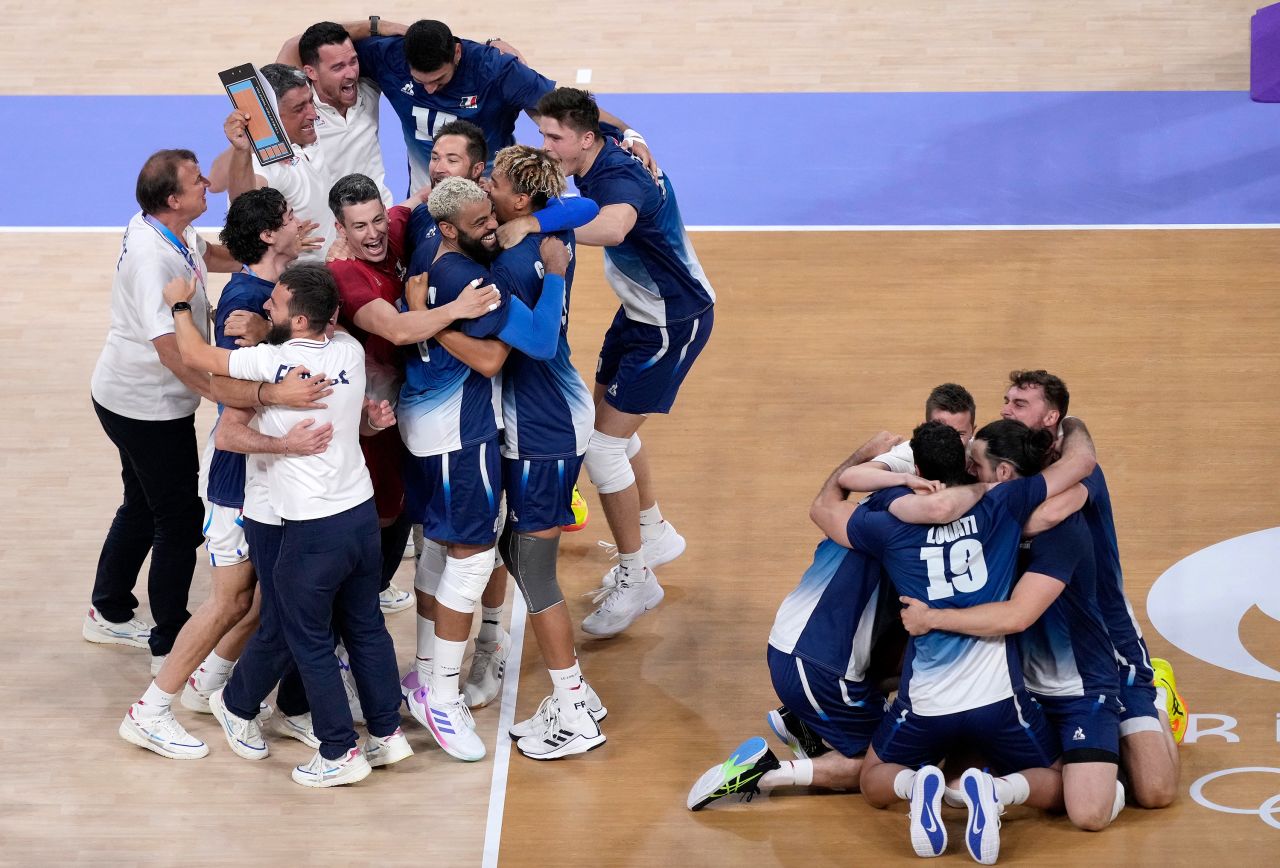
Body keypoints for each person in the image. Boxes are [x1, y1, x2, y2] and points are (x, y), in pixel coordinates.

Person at [163, 262, 410, 788]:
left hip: (313, 525)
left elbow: (194, 356)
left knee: (308, 636)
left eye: (274, 304)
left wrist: (181, 304)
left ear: (300, 321)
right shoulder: (348, 351)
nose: (265, 308)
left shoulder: (273, 363)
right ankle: (386, 733)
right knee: (364, 624)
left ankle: (339, 751)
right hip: (361, 517)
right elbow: (331, 319)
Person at [116, 188, 330, 758]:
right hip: (239, 474)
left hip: (261, 473)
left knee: (260, 600)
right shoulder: (247, 302)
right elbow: (228, 397)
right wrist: (276, 385)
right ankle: (152, 708)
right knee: (234, 601)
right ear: (267, 236)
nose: (296, 221)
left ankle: (208, 686)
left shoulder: (271, 291)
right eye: (286, 218)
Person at [826, 419, 1097, 864]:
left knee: (874, 781)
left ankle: (918, 786)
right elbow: (1078, 475)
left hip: (926, 704)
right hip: (998, 701)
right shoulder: (1003, 502)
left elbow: (827, 506)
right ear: (968, 468)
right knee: (1057, 780)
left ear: (918, 467)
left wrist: (892, 481)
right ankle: (994, 791)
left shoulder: (889, 522)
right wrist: (1067, 430)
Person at [686, 428, 989, 809]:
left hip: (794, 643)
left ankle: (804, 721)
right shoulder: (917, 526)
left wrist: (863, 453)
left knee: (908, 657)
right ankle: (765, 772)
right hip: (819, 664)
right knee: (890, 762)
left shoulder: (884, 497)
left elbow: (824, 501)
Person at [426, 145, 606, 758]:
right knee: (518, 552)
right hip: (550, 420)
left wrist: (436, 321)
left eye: (493, 182)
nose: (483, 184)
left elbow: (529, 341)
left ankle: (575, 705)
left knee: (533, 569)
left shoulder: (510, 261)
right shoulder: (540, 233)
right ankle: (574, 691)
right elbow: (576, 207)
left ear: (519, 200)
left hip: (541, 428)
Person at [535, 87, 716, 637]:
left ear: (585, 141)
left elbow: (613, 227)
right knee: (605, 425)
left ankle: (639, 579)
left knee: (601, 444)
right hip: (640, 311)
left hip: (671, 322)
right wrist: (631, 129)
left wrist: (533, 227)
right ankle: (655, 531)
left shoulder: (619, 178)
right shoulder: (607, 141)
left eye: (553, 137)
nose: (545, 147)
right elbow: (613, 121)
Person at [397, 177, 567, 761]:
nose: (491, 229)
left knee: (441, 554)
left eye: (490, 217)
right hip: (460, 435)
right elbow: (500, 357)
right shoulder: (469, 280)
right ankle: (441, 697)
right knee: (472, 558)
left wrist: (423, 316)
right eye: (480, 224)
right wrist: (442, 320)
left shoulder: (427, 247)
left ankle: (424, 676)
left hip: (426, 429)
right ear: (450, 228)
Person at [898, 418, 1125, 832]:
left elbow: (1018, 615)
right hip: (1017, 686)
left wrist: (929, 619)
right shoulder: (995, 519)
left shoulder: (1062, 530)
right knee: (951, 765)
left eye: (974, 467)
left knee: (1089, 813)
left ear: (1002, 474)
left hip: (1078, 687)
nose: (966, 475)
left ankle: (1000, 791)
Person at [998, 370, 1182, 807]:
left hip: (1109, 640)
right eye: (1005, 401)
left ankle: (1160, 695)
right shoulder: (1004, 459)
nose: (1006, 409)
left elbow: (1038, 518)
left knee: (1156, 793)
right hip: (1042, 652)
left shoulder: (1078, 471)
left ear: (1052, 418)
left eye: (1020, 404)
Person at [86, 149, 239, 672]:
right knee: (178, 519)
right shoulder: (152, 261)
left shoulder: (167, 227)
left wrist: (268, 256)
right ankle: (169, 641)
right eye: (198, 182)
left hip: (125, 396)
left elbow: (210, 255)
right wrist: (222, 392)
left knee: (141, 503)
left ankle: (107, 609)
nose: (207, 186)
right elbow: (169, 349)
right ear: (173, 199)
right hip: (144, 408)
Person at [326, 172, 501, 617]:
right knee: (381, 514)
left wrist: (464, 175)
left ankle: (370, 594)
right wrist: (457, 309)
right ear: (340, 231)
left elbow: (422, 196)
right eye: (359, 227)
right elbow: (399, 330)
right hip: (372, 415)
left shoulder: (396, 227)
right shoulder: (347, 275)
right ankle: (358, 606)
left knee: (403, 509)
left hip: (407, 405)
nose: (374, 233)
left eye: (377, 220)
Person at [350, 18, 656, 192]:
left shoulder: (496, 70)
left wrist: (629, 133)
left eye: (439, 80)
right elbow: (312, 44)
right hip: (426, 196)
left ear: (457, 53)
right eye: (421, 82)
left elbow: (565, 112)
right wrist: (376, 25)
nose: (429, 89)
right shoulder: (388, 55)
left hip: (492, 194)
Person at [211, 64, 335, 260]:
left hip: (334, 267)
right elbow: (243, 203)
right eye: (299, 108)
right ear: (272, 117)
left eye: (310, 102)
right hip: (304, 282)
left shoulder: (303, 136)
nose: (313, 114)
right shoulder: (262, 165)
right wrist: (242, 148)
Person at [277, 21, 394, 206]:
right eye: (338, 67)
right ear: (311, 72)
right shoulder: (299, 109)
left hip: (380, 216)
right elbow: (293, 45)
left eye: (353, 61)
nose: (351, 73)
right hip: (330, 224)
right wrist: (375, 25)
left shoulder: (368, 87)